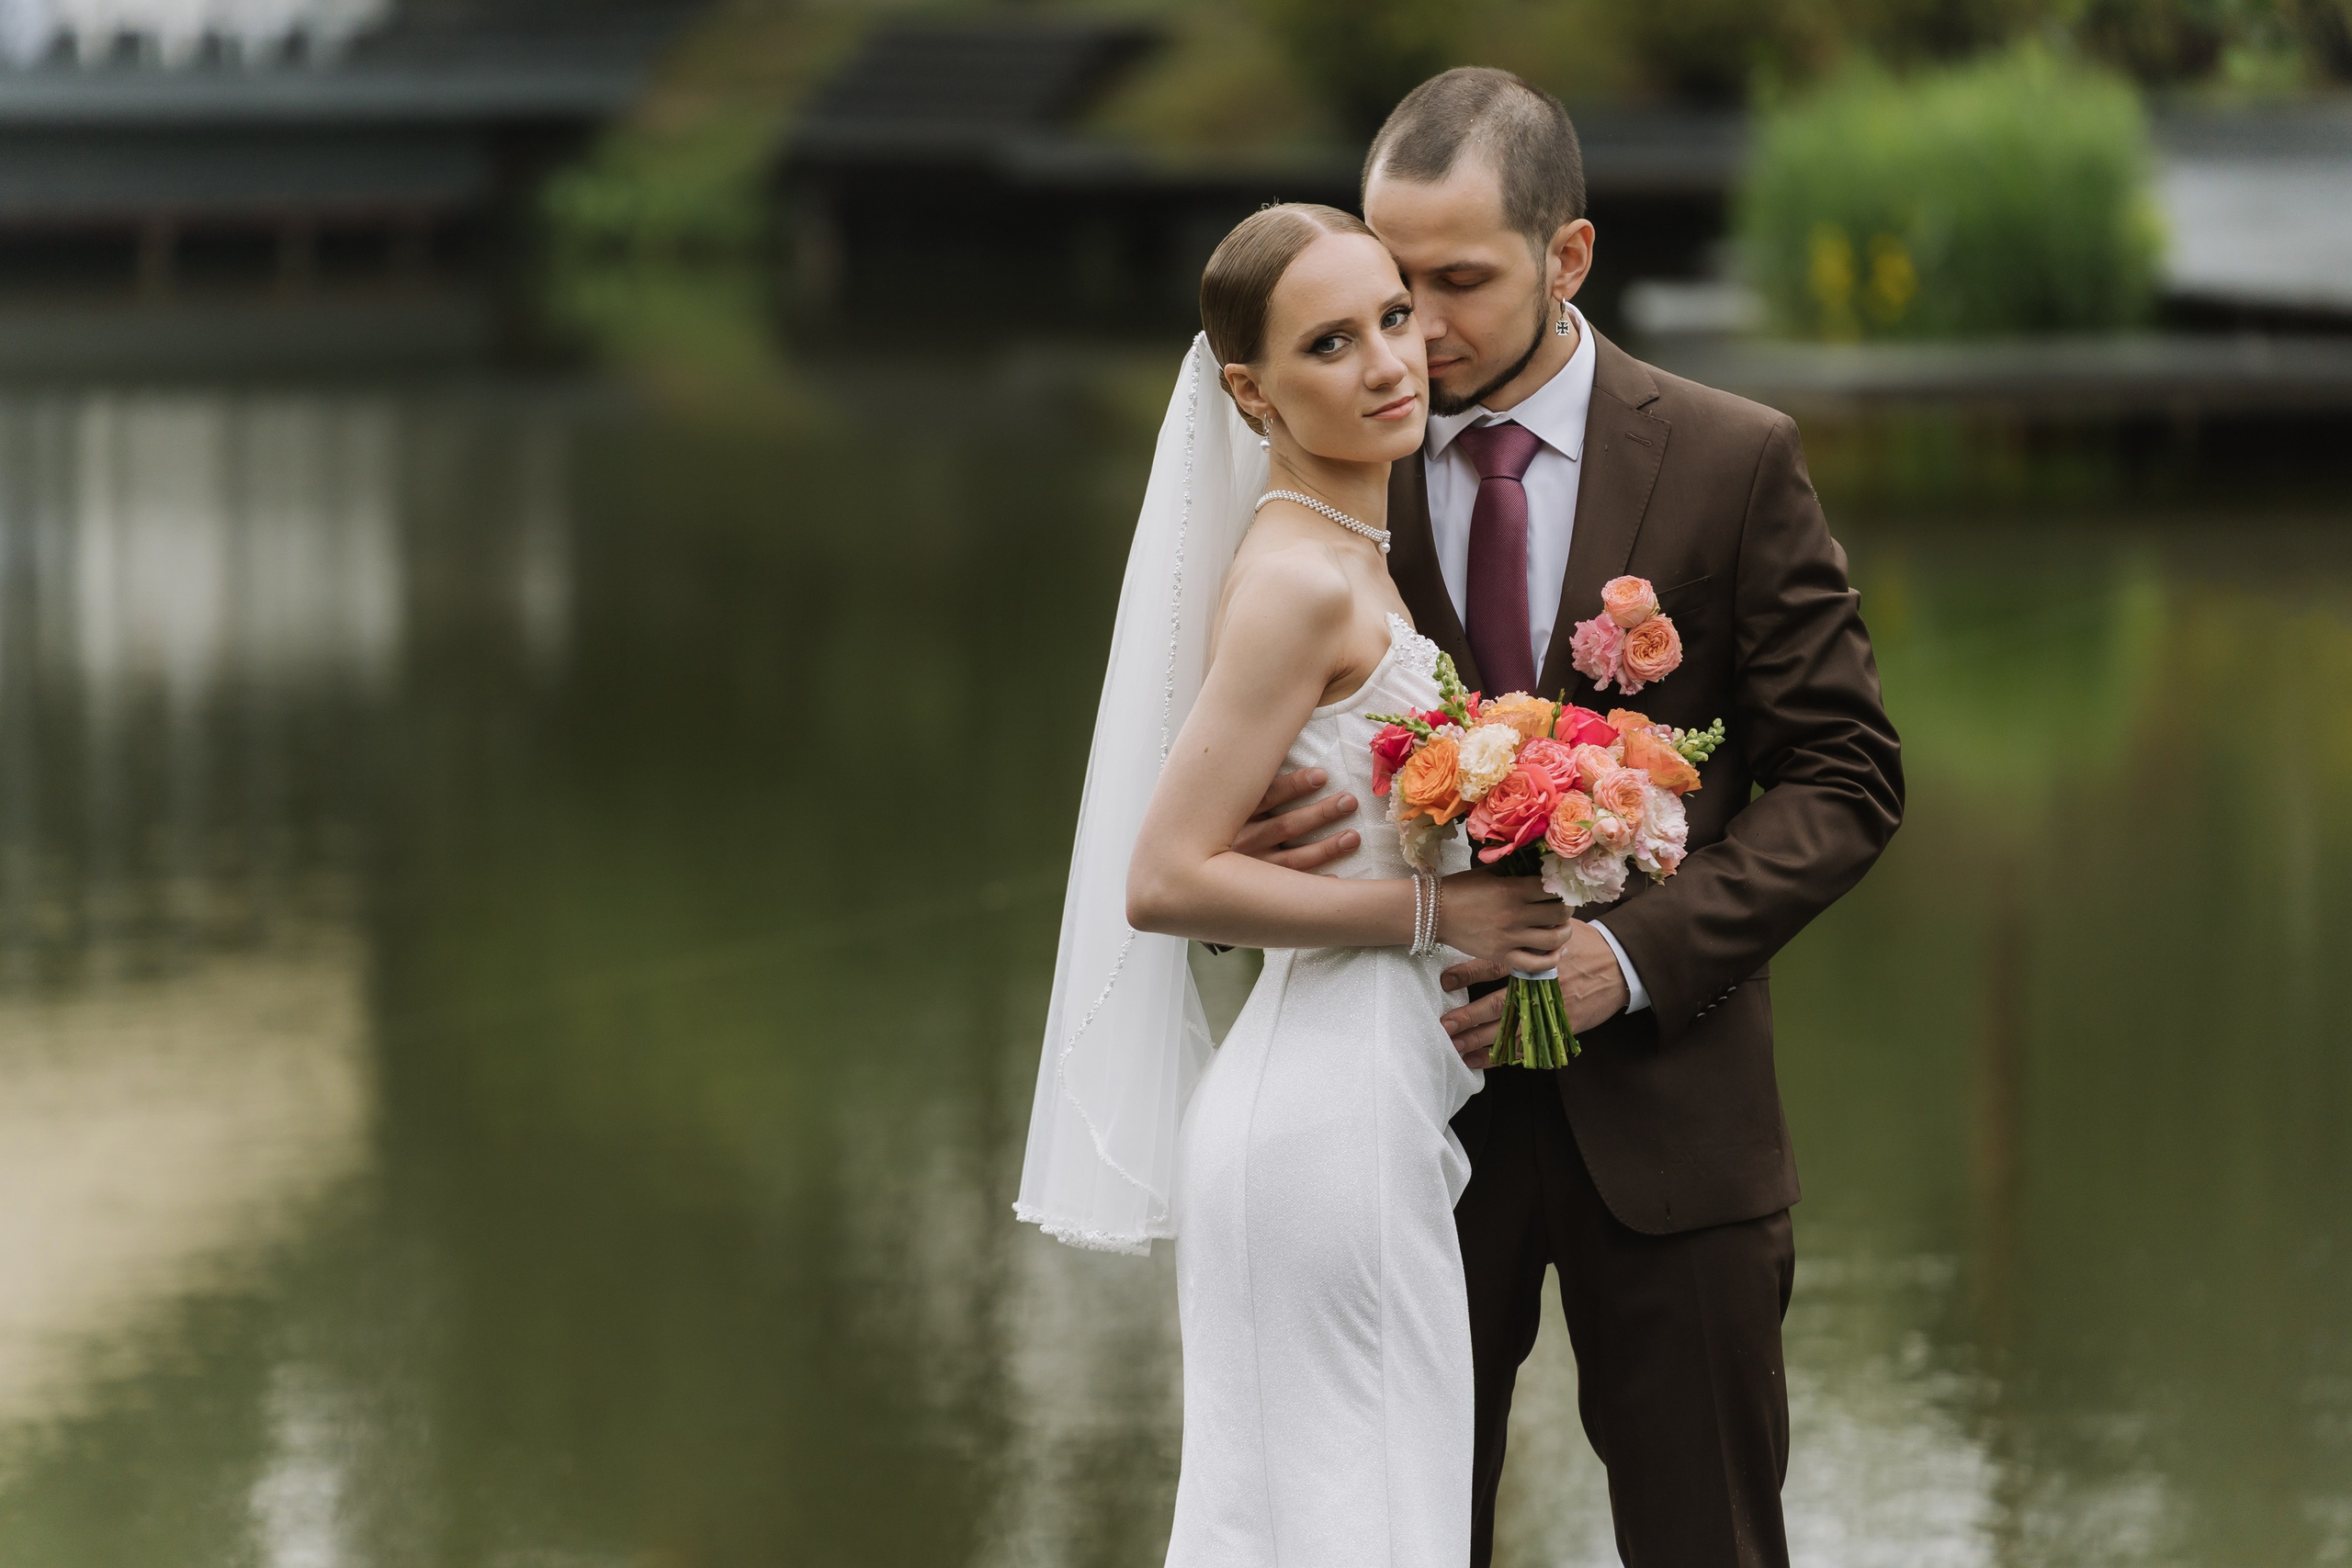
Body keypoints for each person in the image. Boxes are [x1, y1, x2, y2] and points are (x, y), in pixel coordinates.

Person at [1241, 68, 1906, 1568]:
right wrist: (1282, 839)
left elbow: (1848, 776)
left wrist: (1638, 959)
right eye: (1386, 283)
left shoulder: (1735, 462)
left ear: (1570, 258)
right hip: (1397, 1127)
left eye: (1456, 283)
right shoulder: (1317, 476)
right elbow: (1219, 794)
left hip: (1678, 1135)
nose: (1410, 333)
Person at [1015, 202, 1566, 1567]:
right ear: (1252, 392)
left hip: (1362, 1109)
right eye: (1332, 342)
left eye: (1393, 317)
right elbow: (1163, 875)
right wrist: (1437, 912)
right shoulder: (1300, 585)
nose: (1390, 361)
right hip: (1322, 1125)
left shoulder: (1347, 559)